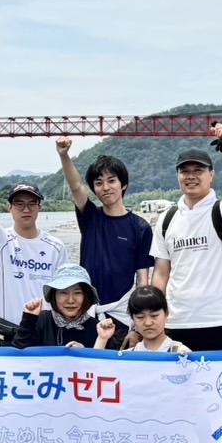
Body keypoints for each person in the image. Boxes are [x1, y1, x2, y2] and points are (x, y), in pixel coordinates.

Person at [150, 123, 222, 350]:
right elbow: (161, 274)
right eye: (185, 171)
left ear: (211, 176)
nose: (191, 176)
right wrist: (154, 316)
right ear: (178, 176)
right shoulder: (167, 219)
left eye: (198, 171)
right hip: (176, 322)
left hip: (220, 321)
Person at [0, 152, 67, 344]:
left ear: (40, 207)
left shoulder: (56, 247)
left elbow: (63, 293)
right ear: (10, 208)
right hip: (8, 330)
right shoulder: (0, 240)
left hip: (43, 332)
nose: (26, 209)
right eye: (19, 204)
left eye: (31, 204)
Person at [55, 138, 154, 335]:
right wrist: (64, 156)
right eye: (99, 183)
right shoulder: (90, 217)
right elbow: (76, 186)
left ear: (123, 185)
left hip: (121, 315)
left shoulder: (140, 227)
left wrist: (137, 328)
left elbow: (142, 281)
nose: (106, 187)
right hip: (86, 314)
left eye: (111, 181)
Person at [13, 264, 117, 349]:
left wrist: (84, 353)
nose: (70, 300)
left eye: (77, 293)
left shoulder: (99, 329)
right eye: (63, 292)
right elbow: (17, 356)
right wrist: (28, 320)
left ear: (87, 296)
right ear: (54, 295)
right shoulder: (40, 321)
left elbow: (105, 365)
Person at [120, 285, 190, 354]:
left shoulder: (181, 353)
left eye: (154, 315)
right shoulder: (127, 356)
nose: (148, 323)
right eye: (140, 317)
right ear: (132, 318)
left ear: (166, 314)